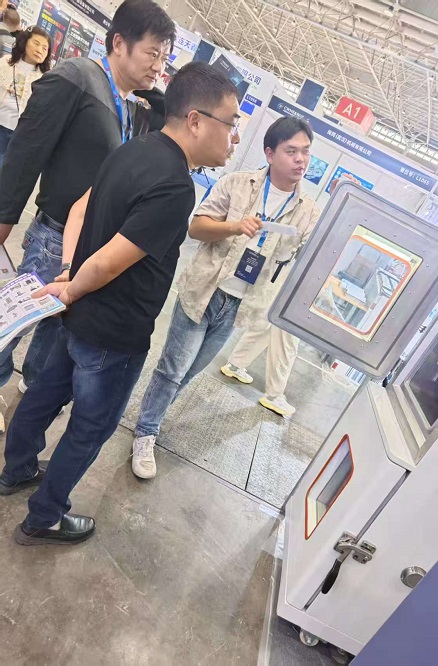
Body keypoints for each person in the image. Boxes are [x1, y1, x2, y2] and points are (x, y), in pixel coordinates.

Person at [0, 61, 241, 546]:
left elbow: (80, 210)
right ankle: (45, 516)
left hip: (78, 316)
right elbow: (111, 262)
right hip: (113, 333)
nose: (234, 138)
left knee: (44, 394)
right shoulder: (176, 186)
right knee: (90, 427)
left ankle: (15, 470)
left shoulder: (133, 148)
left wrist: (70, 274)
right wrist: (73, 284)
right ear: (196, 120)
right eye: (231, 123)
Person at [0, 0, 176, 400]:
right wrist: (4, 219)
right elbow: (25, 154)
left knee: (53, 330)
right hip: (54, 236)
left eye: (164, 58)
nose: (158, 66)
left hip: (86, 247)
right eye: (152, 53)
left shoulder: (129, 103)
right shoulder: (76, 78)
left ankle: (30, 394)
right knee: (14, 322)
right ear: (119, 43)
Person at [132, 116, 320, 479]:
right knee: (173, 369)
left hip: (239, 307)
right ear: (270, 153)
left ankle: (151, 417)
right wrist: (235, 226)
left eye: (306, 152)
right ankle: (146, 431)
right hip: (204, 290)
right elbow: (196, 227)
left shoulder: (308, 212)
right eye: (291, 151)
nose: (301, 160)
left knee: (189, 372)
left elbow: (308, 257)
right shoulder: (237, 183)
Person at [0, 26, 51, 167]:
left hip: (19, 135)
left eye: (45, 48)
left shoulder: (46, 79)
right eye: (36, 43)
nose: (40, 50)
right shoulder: (5, 63)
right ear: (25, 42)